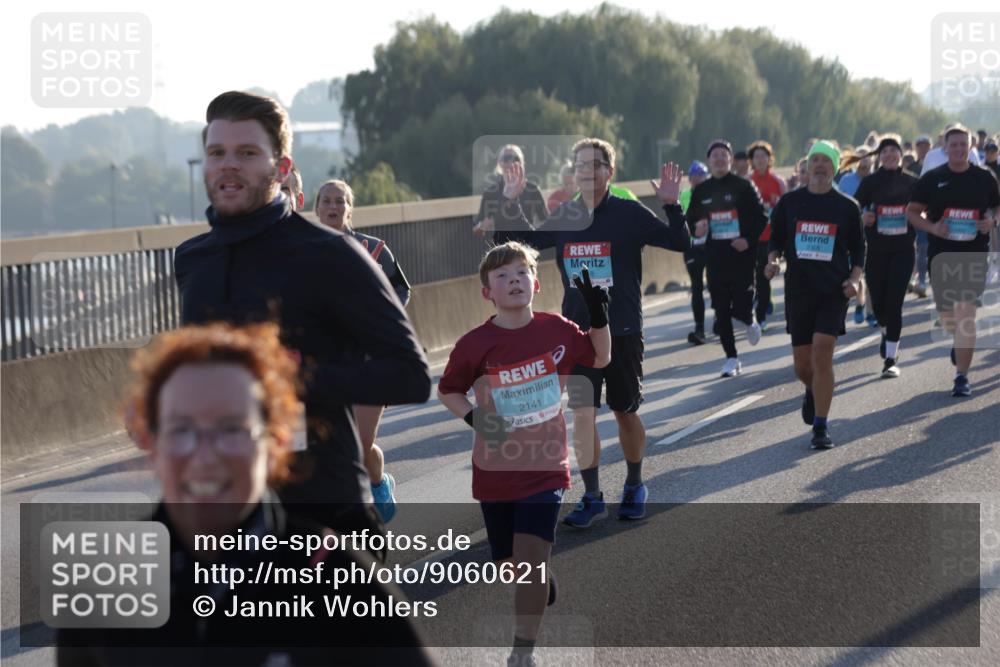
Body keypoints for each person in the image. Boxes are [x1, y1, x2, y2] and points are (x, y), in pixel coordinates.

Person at [57, 323, 435, 666]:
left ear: (277, 441)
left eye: (231, 430)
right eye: (181, 429)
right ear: (149, 441)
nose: (205, 455)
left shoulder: (337, 575)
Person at [174, 91, 431, 542]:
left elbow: (410, 376)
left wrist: (294, 379)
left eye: (247, 153)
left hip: (325, 513)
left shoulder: (332, 254)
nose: (228, 164)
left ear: (283, 168)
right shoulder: (193, 260)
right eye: (217, 153)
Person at [482, 138, 691, 526]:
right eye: (579, 165)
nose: (585, 171)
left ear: (608, 172)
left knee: (624, 412)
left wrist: (672, 204)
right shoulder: (565, 215)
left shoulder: (629, 214)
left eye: (593, 165)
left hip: (622, 330)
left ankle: (633, 484)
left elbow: (680, 242)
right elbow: (514, 246)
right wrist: (508, 204)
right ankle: (592, 496)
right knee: (582, 415)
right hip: (578, 334)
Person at [438, 244, 611, 667]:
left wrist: (598, 314)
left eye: (521, 272)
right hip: (495, 471)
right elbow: (448, 390)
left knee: (531, 565)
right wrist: (477, 421)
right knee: (510, 567)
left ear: (536, 283)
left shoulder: (558, 330)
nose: (513, 279)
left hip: (544, 466)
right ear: (487, 293)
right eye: (502, 275)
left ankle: (522, 652)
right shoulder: (475, 344)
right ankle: (538, 580)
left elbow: (601, 355)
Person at [314, 178, 413, 522]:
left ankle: (370, 491)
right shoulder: (302, 253)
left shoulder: (373, 250)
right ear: (315, 207)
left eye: (340, 201)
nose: (332, 206)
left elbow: (401, 290)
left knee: (358, 442)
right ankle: (371, 485)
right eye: (326, 200)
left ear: (349, 208)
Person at [764, 140, 865, 449]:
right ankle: (812, 390)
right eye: (815, 159)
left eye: (826, 160)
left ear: (835, 167)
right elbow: (776, 241)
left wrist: (855, 280)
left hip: (833, 290)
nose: (820, 164)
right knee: (802, 366)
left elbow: (859, 249)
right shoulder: (790, 203)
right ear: (807, 166)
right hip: (799, 291)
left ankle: (820, 427)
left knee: (823, 351)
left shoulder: (847, 206)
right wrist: (772, 261)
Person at [907, 124, 999, 397]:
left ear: (971, 147)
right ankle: (958, 343)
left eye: (964, 144)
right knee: (949, 315)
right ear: (945, 148)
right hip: (941, 253)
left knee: (966, 313)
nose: (959, 149)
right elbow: (912, 212)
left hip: (973, 252)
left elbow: (997, 206)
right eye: (954, 144)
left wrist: (991, 221)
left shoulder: (984, 178)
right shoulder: (932, 179)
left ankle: (962, 376)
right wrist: (933, 228)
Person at [686, 140, 768, 376]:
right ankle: (731, 358)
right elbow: (691, 223)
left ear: (731, 160)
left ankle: (748, 318)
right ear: (709, 162)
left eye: (724, 155)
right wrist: (697, 230)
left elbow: (762, 218)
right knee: (721, 309)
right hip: (715, 256)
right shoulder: (701, 191)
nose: (720, 159)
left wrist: (748, 240)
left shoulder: (744, 186)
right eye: (715, 156)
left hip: (741, 254)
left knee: (741, 303)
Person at [853, 134, 918, 378]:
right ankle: (885, 331)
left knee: (894, 303)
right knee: (879, 305)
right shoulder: (870, 182)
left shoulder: (912, 182)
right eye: (885, 151)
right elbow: (854, 208)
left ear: (901, 154)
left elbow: (925, 209)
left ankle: (891, 358)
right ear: (879, 156)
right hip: (877, 250)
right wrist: (863, 217)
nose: (890, 155)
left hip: (903, 250)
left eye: (894, 151)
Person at [748, 140, 788, 329]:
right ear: (752, 161)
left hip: (773, 237)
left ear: (770, 159)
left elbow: (787, 209)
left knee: (765, 277)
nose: (760, 160)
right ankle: (753, 310)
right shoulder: (748, 182)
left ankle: (761, 315)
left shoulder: (778, 182)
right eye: (756, 157)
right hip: (752, 238)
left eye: (764, 156)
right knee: (754, 277)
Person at [473, 144, 548, 236]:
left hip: (527, 245)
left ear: (522, 163)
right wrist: (483, 226)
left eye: (515, 158)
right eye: (506, 158)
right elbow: (476, 230)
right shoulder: (490, 192)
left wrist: (537, 234)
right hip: (501, 246)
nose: (511, 162)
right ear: (499, 163)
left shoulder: (532, 189)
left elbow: (546, 222)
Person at [681, 160, 710, 345]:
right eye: (694, 177)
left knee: (717, 283)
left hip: (713, 246)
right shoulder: (684, 195)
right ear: (690, 180)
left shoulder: (714, 193)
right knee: (697, 287)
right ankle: (699, 328)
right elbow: (679, 219)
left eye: (701, 177)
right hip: (692, 246)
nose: (698, 180)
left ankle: (719, 320)